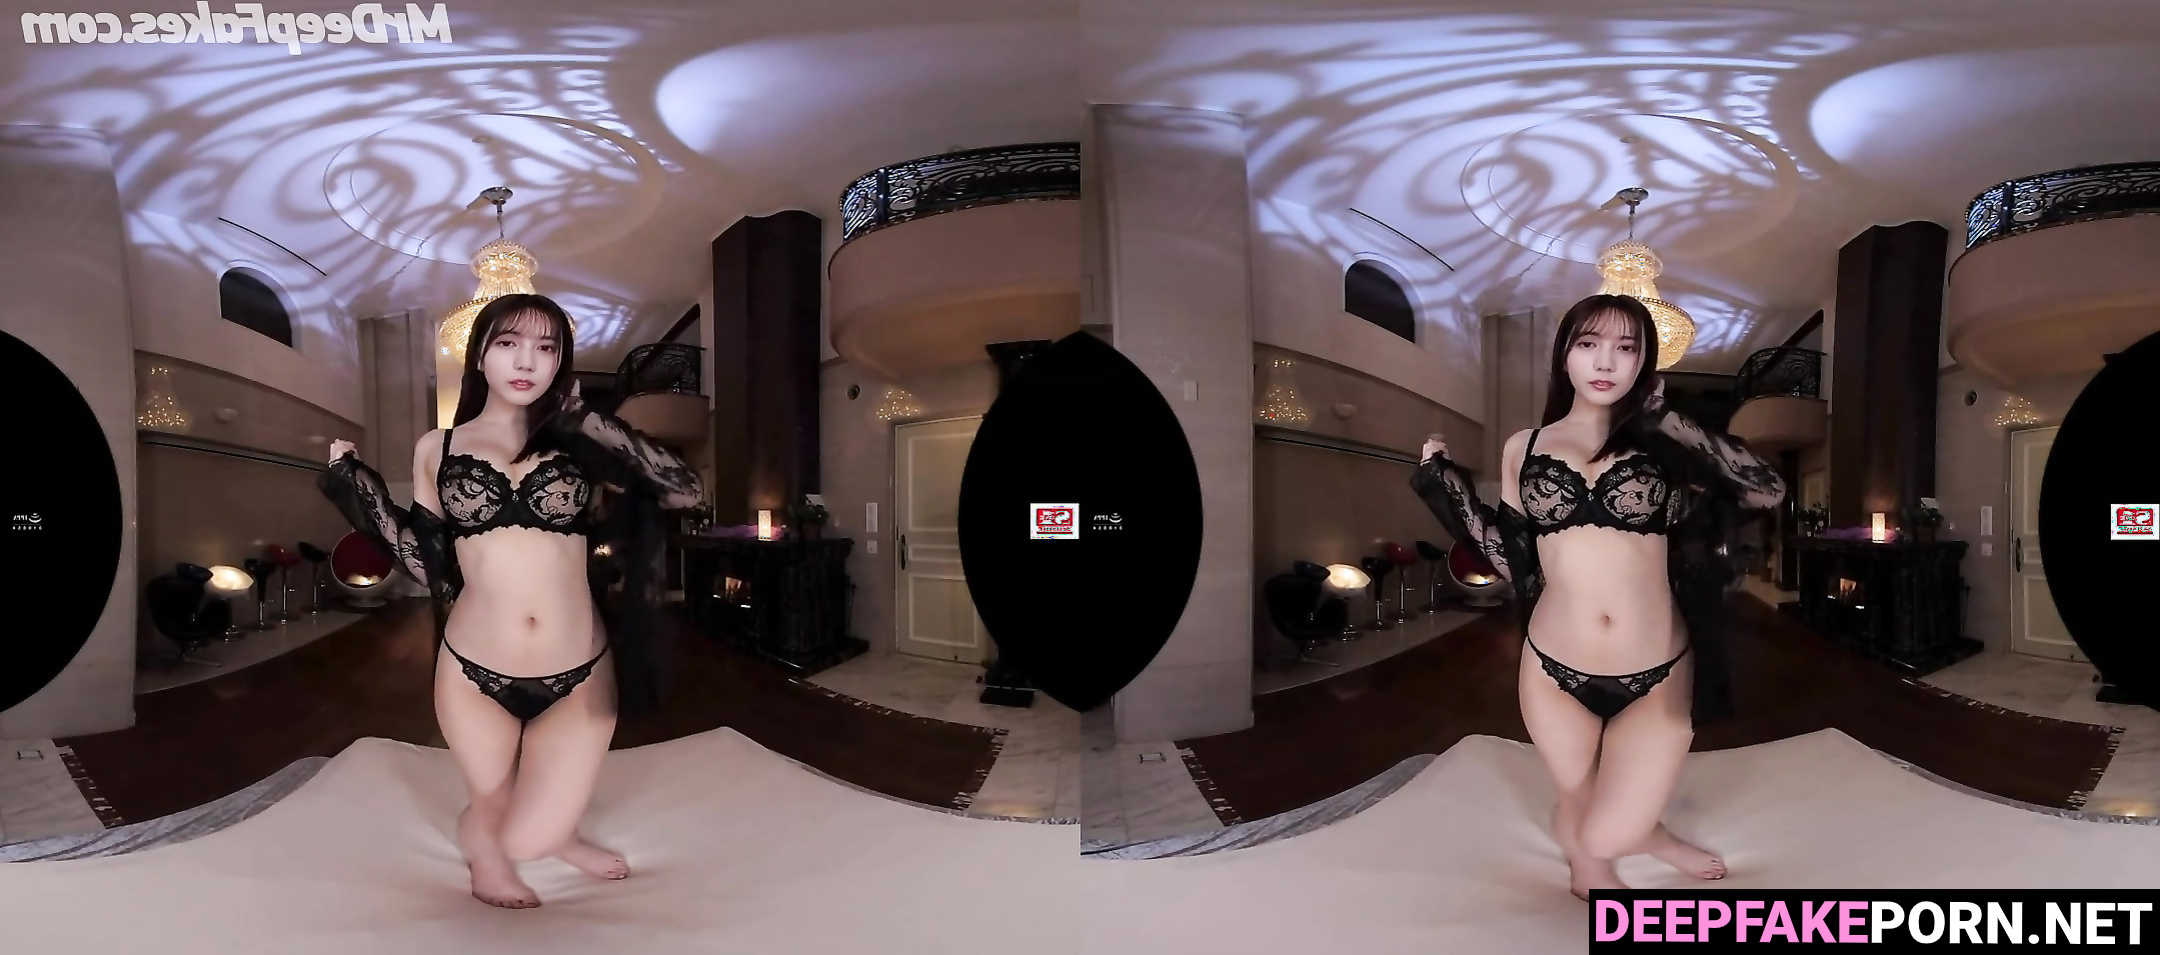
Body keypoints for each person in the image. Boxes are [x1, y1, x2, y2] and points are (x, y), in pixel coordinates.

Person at [318, 293, 703, 908]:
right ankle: (487, 854)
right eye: (508, 343)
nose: (527, 361)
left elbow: (684, 491)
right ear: (480, 356)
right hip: (473, 669)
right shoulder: (438, 447)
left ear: (561, 363)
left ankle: (551, 836)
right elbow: (428, 562)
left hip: (580, 669)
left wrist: (588, 419)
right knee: (494, 805)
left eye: (546, 348)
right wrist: (355, 488)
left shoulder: (579, 442)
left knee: (531, 835)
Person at [1411, 294, 1785, 899]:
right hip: (1552, 667)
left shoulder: (1664, 445)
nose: (1605, 361)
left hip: (1657, 667)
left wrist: (1667, 419)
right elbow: (1513, 558)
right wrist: (1443, 486)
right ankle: (1594, 862)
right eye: (1588, 343)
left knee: (1610, 829)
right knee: (1580, 803)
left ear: (1644, 362)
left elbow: (1765, 491)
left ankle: (1640, 835)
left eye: (1626, 347)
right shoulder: (1524, 446)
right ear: (1565, 354)